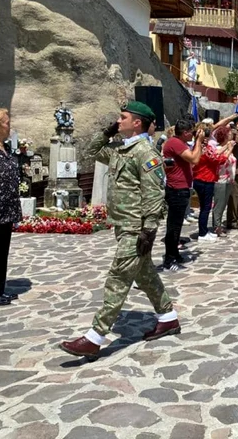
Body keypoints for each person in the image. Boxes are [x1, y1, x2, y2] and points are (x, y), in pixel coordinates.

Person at [60, 102, 180, 359]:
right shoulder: (121, 149)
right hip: (123, 224)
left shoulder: (145, 152)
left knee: (118, 278)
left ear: (137, 122)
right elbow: (93, 151)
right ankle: (168, 317)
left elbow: (154, 193)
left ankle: (95, 336)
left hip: (136, 227)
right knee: (145, 274)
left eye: (122, 117)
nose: (118, 119)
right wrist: (108, 131)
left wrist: (148, 230)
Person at [161, 118, 204, 270]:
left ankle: (174, 254)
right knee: (173, 226)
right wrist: (199, 141)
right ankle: (169, 259)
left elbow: (191, 161)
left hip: (182, 187)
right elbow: (195, 159)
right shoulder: (175, 143)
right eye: (191, 132)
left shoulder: (180, 143)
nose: (193, 134)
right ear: (185, 133)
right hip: (176, 189)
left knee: (177, 226)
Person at [0, 107, 22, 307]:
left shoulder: (4, 147)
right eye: (6, 122)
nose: (9, 125)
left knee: (2, 251)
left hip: (6, 209)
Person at [192, 123, 230, 242]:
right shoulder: (203, 148)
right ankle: (202, 233)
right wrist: (229, 150)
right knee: (205, 208)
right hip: (205, 179)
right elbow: (217, 159)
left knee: (205, 207)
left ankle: (203, 231)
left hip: (202, 178)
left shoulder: (198, 146)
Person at [211, 126, 237, 236]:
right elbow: (221, 160)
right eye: (229, 133)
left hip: (229, 180)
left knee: (223, 204)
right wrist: (229, 148)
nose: (231, 135)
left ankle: (219, 225)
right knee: (219, 204)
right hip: (220, 180)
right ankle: (217, 226)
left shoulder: (230, 147)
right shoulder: (218, 148)